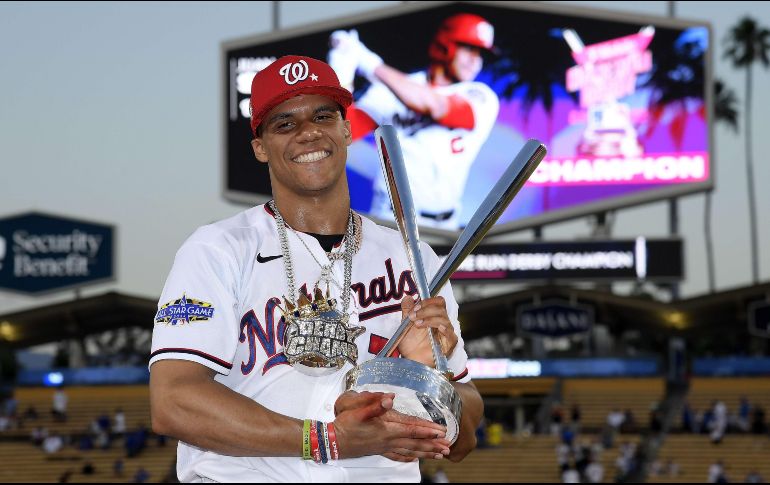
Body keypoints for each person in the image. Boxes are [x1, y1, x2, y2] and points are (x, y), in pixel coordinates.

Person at [149, 55, 483, 482]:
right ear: (259, 146)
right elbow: (174, 401)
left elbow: (464, 435)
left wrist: (437, 368)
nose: (308, 132)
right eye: (284, 124)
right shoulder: (218, 249)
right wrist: (327, 440)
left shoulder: (412, 257)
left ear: (346, 128)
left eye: (322, 116)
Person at [327, 13, 500, 230]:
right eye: (468, 48)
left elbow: (436, 106)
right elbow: (341, 135)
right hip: (390, 220)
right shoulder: (391, 91)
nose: (475, 60)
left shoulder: (480, 96)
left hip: (445, 225)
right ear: (445, 46)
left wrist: (369, 63)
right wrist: (340, 78)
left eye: (481, 53)